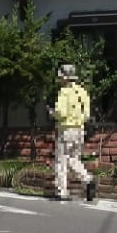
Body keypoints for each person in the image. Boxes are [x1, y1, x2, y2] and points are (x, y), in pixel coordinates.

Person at [50, 63, 94, 202]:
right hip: (80, 129)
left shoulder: (64, 92)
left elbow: (60, 112)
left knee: (61, 160)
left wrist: (52, 113)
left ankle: (61, 191)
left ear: (64, 78)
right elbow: (86, 114)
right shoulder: (82, 92)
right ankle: (87, 179)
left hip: (66, 129)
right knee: (74, 158)